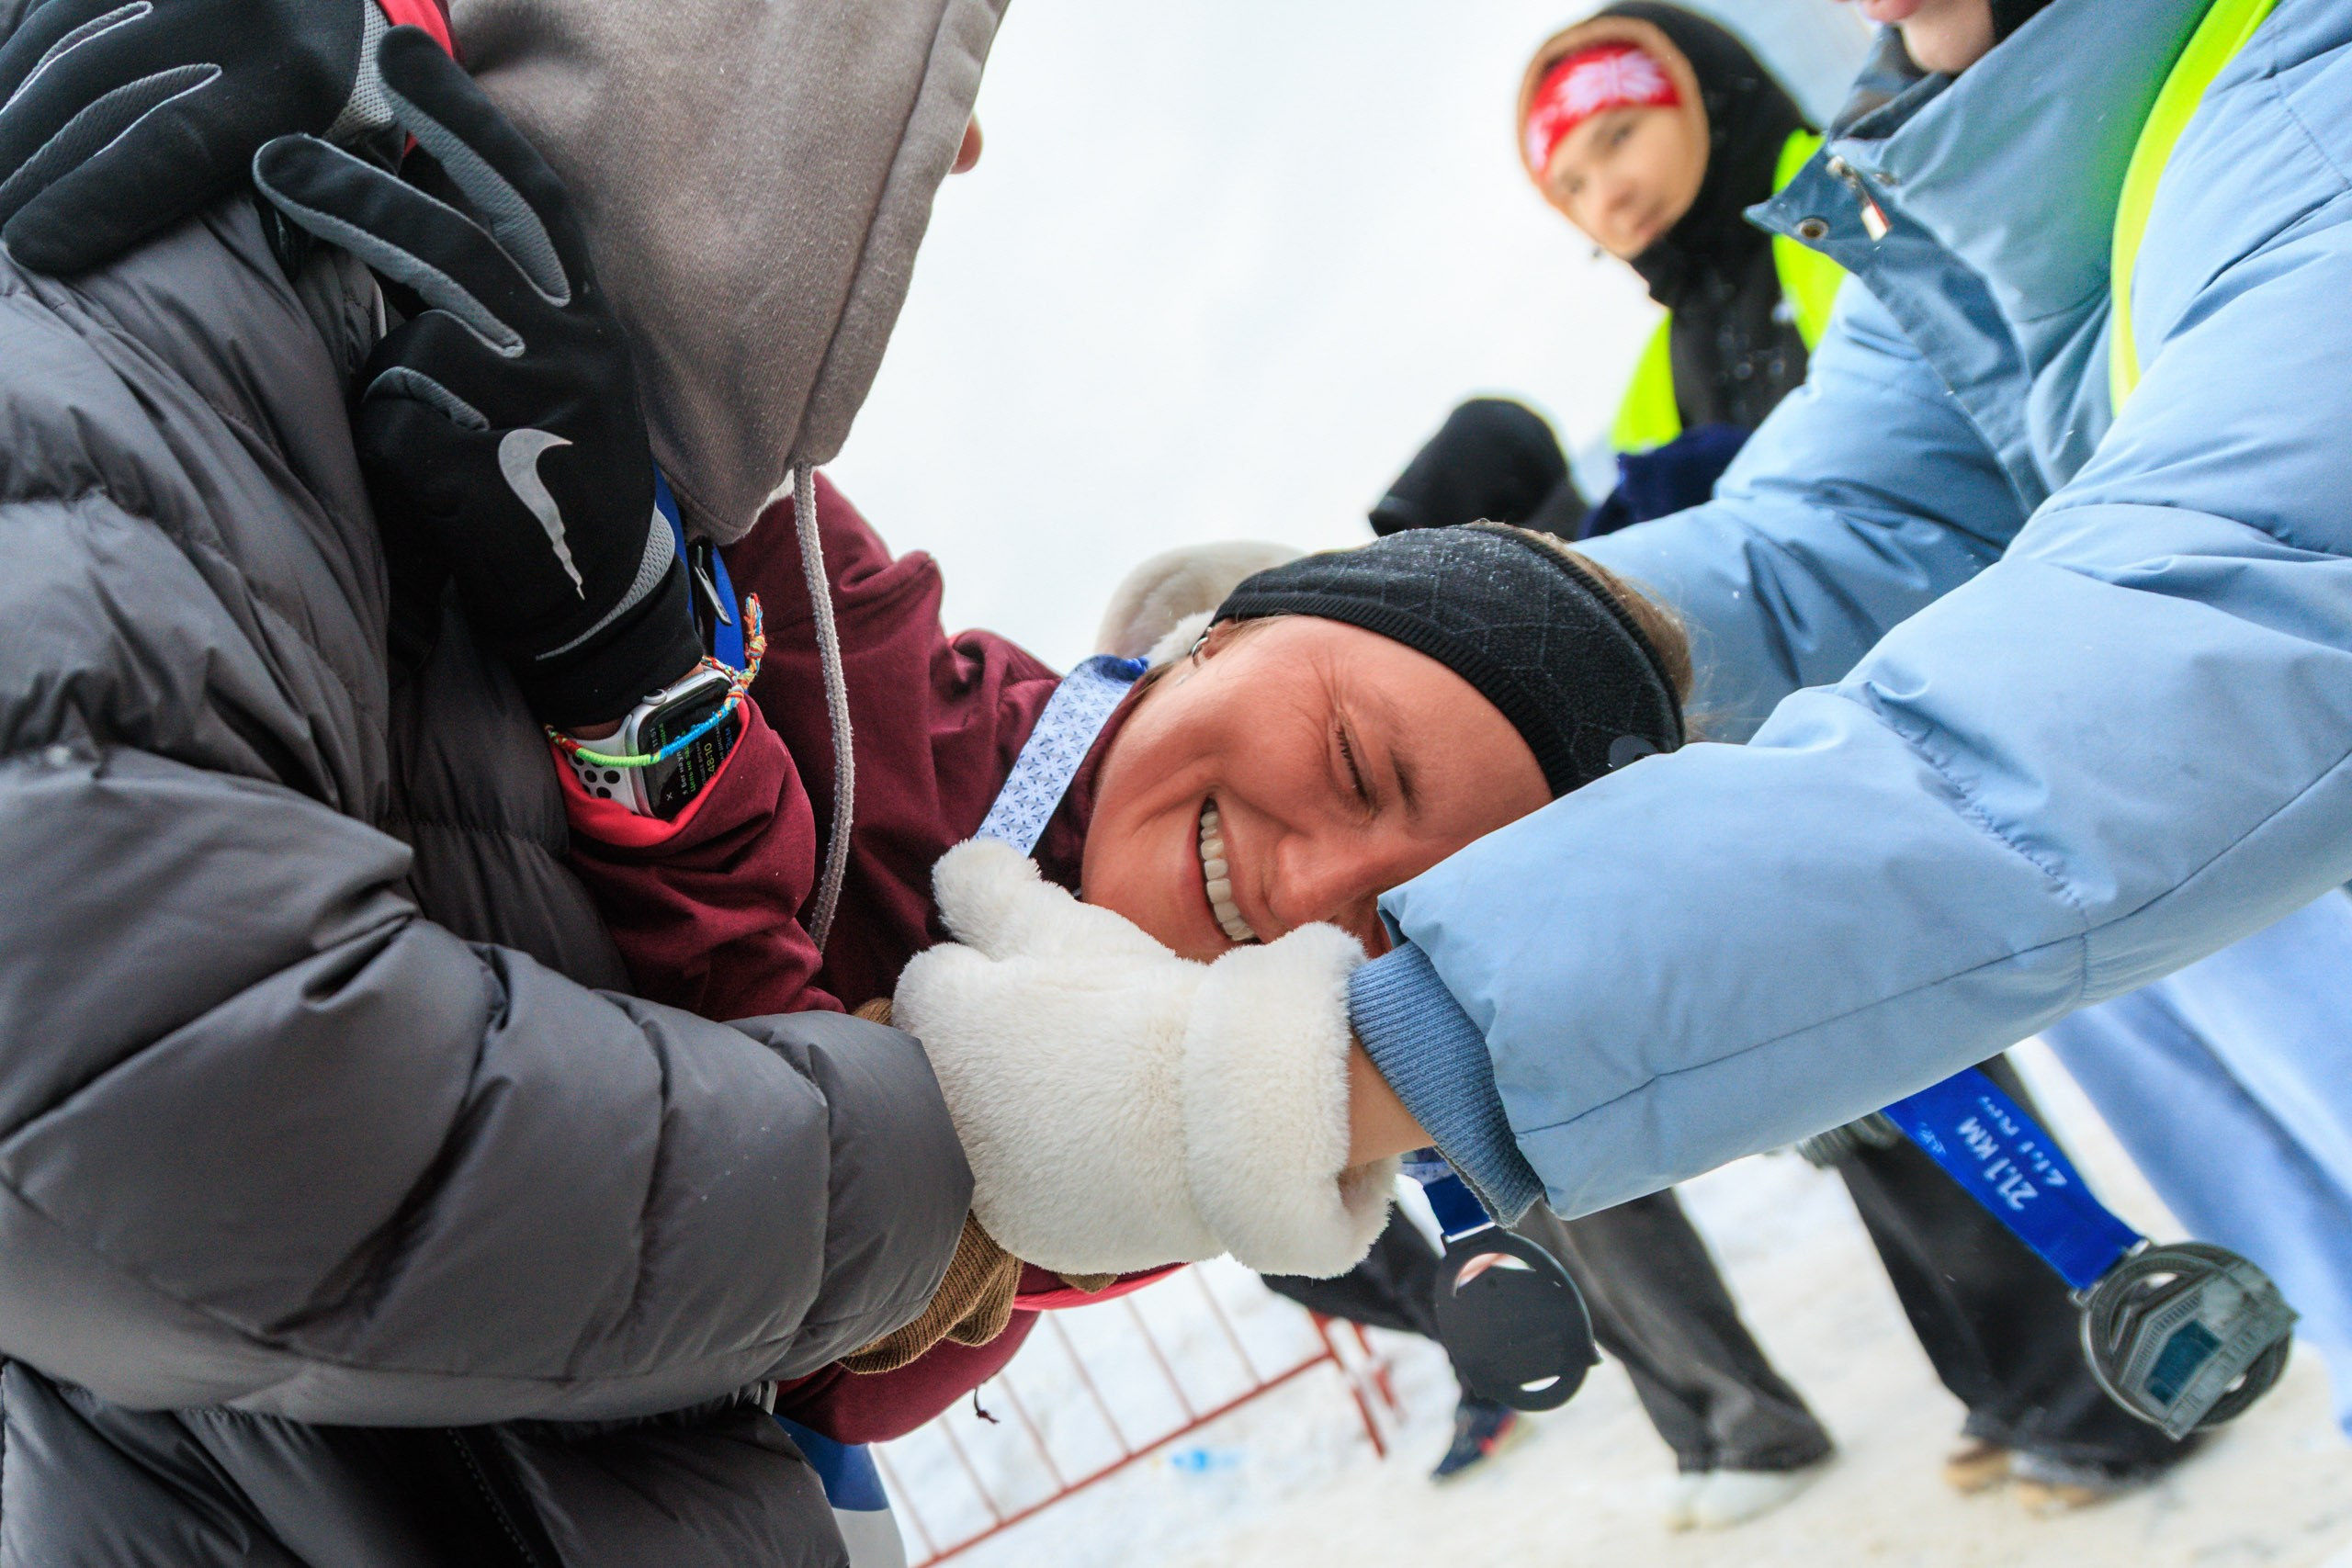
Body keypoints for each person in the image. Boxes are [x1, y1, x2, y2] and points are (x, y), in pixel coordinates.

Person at [885, 0, 2352, 1494]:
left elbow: (2225, 625)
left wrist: (1344, 1066)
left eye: (1621, 141)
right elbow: (1833, 543)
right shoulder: (1984, 222)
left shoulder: (2310, 99)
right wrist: (1417, 647)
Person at [0, 0, 1004, 1559]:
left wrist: (632, 640)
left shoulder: (572, 417)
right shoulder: (190, 256)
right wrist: (929, 1166)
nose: (957, 166)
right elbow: (180, 1111)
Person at [1376, 3, 2188, 1508]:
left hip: (2014, 695)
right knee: (1872, 1105)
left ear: (1701, 92)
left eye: (1619, 135)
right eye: (1569, 182)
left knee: (1976, 1079)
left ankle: (2099, 1395)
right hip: (1816, 754)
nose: (1605, 190)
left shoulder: (1866, 201)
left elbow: (1906, 464)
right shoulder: (1659, 365)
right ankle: (2014, 1387)